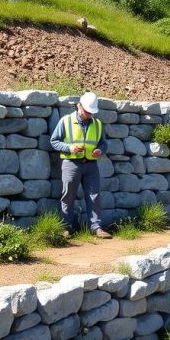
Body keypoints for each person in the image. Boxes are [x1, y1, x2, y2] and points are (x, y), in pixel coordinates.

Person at [50, 91, 112, 239]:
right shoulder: (65, 121)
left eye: (91, 112)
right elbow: (54, 141)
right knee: (68, 196)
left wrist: (100, 150)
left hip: (91, 165)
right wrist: (69, 148)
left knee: (94, 196)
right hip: (71, 164)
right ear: (79, 106)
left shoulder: (97, 124)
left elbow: (103, 143)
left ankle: (96, 227)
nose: (89, 114)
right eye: (87, 111)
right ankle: (66, 227)